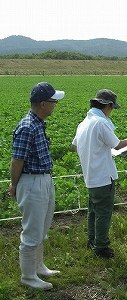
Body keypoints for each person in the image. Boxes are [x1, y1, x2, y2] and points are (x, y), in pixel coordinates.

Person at [9, 82, 65, 289]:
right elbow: (17, 160)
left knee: (41, 228)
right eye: (53, 101)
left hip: (43, 179)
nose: (55, 105)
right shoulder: (27, 127)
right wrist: (14, 186)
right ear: (43, 104)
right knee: (32, 231)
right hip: (32, 182)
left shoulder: (38, 123)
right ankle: (28, 276)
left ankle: (39, 266)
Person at [71, 89, 127, 259]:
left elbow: (75, 146)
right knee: (104, 213)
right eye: (112, 107)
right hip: (103, 176)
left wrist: (92, 153)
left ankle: (92, 241)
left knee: (93, 210)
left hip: (90, 175)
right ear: (107, 106)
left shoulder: (84, 122)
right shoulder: (101, 122)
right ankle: (101, 247)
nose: (112, 111)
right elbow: (116, 145)